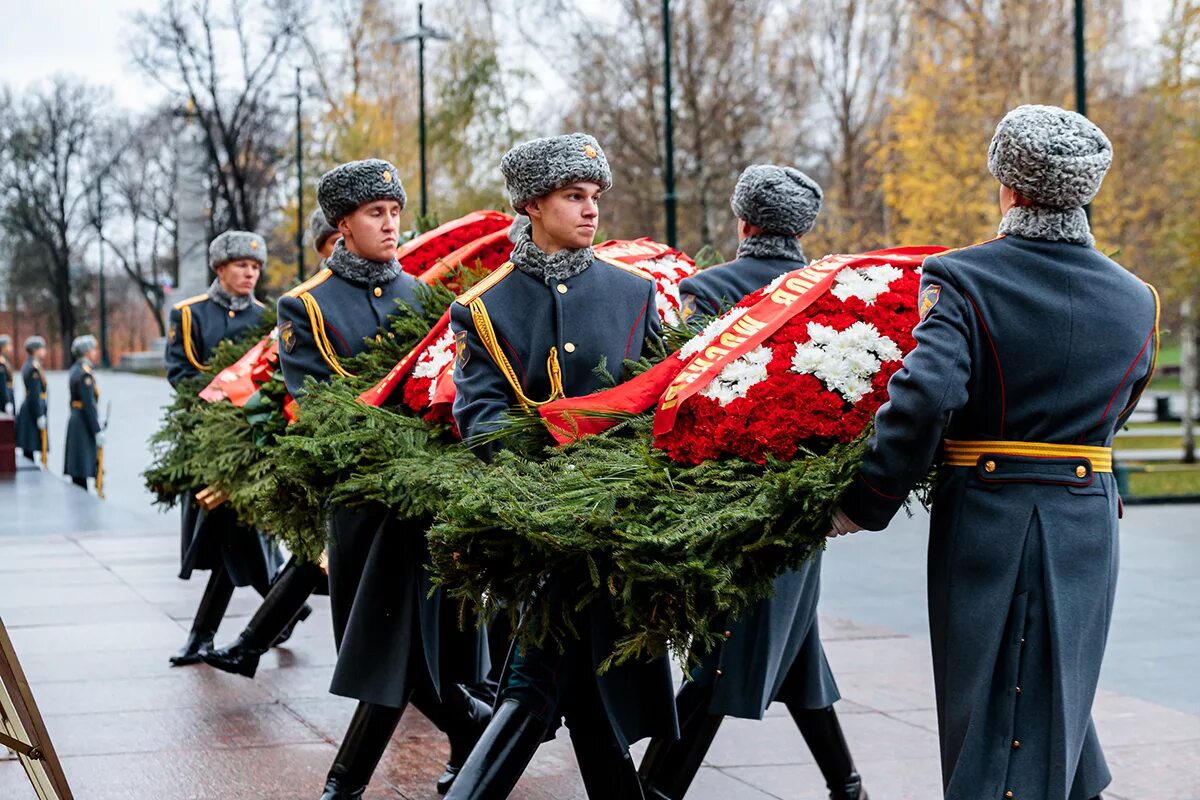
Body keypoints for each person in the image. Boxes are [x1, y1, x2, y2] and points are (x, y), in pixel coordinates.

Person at [829, 105, 1159, 800]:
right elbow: (1119, 405)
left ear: (1007, 186)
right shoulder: (1138, 299)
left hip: (992, 517)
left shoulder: (966, 277)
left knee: (991, 714)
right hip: (1088, 518)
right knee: (1054, 686)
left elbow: (925, 397)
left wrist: (866, 502)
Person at [446, 133, 678, 800]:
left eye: (594, 197)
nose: (590, 210)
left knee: (568, 693)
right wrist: (544, 487)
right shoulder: (486, 306)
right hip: (543, 532)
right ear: (531, 205)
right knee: (547, 687)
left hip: (615, 532)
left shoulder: (632, 294)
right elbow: (481, 414)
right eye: (573, 197)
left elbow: (656, 394)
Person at [640, 166, 868, 800]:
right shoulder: (830, 290)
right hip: (807, 497)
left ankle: (655, 789)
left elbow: (680, 388)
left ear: (743, 222)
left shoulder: (707, 290)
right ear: (804, 227)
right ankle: (846, 787)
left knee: (729, 654)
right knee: (792, 647)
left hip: (730, 499)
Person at [268, 158, 491, 800]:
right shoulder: (305, 306)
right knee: (378, 637)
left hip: (427, 499)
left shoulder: (425, 297)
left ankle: (348, 781)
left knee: (411, 639)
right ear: (343, 224)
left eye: (395, 212)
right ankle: (472, 726)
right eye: (375, 213)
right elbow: (318, 407)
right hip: (364, 498)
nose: (391, 224)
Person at [202, 208, 344, 682]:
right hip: (325, 450)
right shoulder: (305, 303)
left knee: (317, 559)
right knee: (309, 556)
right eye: (328, 253)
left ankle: (250, 642)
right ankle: (248, 642)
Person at [164, 231, 283, 667]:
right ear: (220, 269)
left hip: (250, 442)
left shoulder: (265, 317)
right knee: (233, 536)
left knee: (231, 536)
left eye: (255, 267)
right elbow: (180, 373)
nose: (250, 273)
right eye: (240, 266)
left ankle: (210, 633)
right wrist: (221, 398)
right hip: (209, 443)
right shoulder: (190, 315)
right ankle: (284, 603)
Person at [63, 335, 103, 490]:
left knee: (79, 465)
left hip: (76, 418)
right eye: (93, 349)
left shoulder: (76, 369)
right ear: (86, 351)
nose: (95, 352)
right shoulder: (85, 373)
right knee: (81, 465)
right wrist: (97, 430)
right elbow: (89, 404)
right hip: (82, 422)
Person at [15, 336, 48, 463]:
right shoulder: (33, 368)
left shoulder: (32, 365)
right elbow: (35, 394)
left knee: (30, 446)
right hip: (32, 410)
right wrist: (39, 414)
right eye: (42, 348)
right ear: (35, 350)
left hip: (29, 408)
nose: (44, 351)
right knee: (30, 446)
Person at [0, 334, 15, 415]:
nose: (10, 348)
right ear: (3, 347)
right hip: (3, 399)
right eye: (8, 345)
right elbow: (2, 384)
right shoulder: (1, 363)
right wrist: (7, 401)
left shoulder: (5, 361)